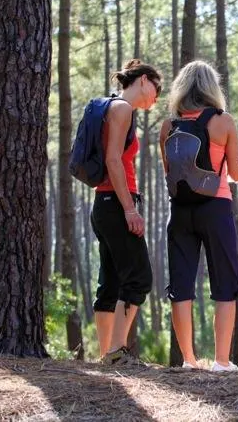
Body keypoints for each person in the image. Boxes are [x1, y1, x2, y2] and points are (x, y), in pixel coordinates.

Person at [160, 60, 238, 372]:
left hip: (180, 211)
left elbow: (169, 172)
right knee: (225, 284)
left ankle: (189, 360)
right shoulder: (223, 122)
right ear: (212, 87)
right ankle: (222, 361)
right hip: (216, 208)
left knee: (180, 286)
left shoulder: (169, 126)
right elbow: (236, 172)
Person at [91, 59, 162, 365]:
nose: (155, 100)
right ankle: (117, 352)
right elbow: (112, 160)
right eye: (155, 91)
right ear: (144, 80)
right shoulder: (121, 109)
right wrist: (130, 209)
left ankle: (106, 355)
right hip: (117, 204)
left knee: (110, 283)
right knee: (139, 278)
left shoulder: (113, 108)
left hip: (105, 204)